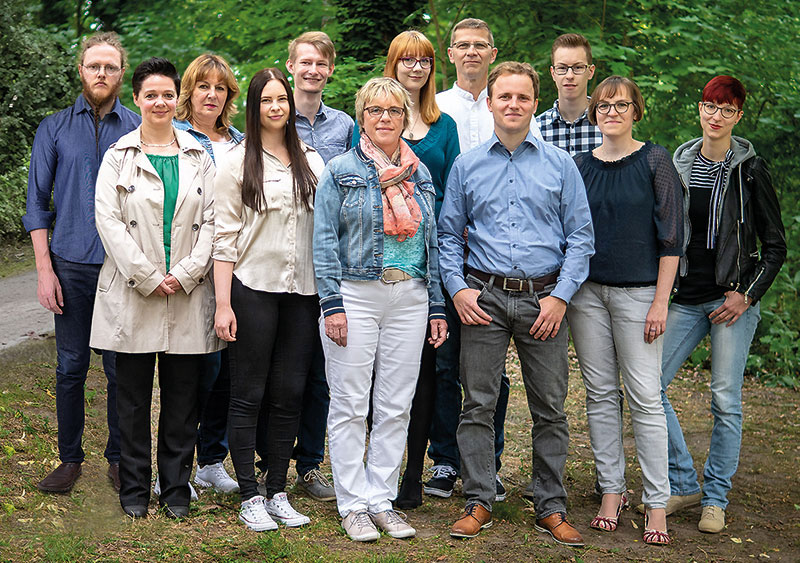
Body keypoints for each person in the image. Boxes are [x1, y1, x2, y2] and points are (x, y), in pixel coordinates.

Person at [439, 62, 593, 545]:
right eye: (503, 97)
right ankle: (479, 499)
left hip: (543, 302)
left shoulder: (560, 165)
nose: (512, 105)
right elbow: (447, 236)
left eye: (522, 97)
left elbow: (582, 238)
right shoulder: (467, 165)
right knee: (478, 405)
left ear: (533, 102)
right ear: (490, 102)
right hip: (482, 300)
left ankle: (550, 505)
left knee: (550, 408)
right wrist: (458, 289)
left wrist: (561, 298)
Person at [313, 77, 447, 541]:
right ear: (362, 117)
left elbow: (431, 243)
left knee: (395, 404)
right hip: (355, 294)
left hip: (410, 297)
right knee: (350, 403)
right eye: (375, 111)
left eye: (393, 110)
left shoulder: (420, 173)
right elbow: (324, 241)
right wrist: (331, 303)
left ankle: (380, 498)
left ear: (405, 117)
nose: (385, 118)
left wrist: (436, 306)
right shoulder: (339, 170)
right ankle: (352, 504)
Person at [90, 57, 222, 519]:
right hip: (133, 292)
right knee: (130, 401)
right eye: (151, 95)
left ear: (176, 99)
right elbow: (107, 221)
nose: (160, 102)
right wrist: (149, 276)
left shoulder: (198, 155)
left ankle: (176, 490)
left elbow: (214, 221)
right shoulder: (117, 156)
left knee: (183, 402)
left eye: (168, 94)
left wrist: (185, 273)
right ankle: (133, 490)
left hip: (187, 292)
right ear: (139, 99)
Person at [659, 75, 786, 534]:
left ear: (738, 116)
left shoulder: (751, 170)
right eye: (710, 107)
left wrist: (746, 294)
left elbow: (775, 247)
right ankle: (684, 482)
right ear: (700, 109)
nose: (715, 116)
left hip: (732, 298)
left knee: (725, 400)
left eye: (726, 110)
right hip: (687, 296)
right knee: (649, 387)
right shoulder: (680, 163)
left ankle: (715, 498)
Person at [23, 31, 140, 495]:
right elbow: (36, 202)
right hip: (68, 264)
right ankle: (69, 459)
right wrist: (44, 269)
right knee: (70, 367)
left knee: (119, 370)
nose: (102, 74)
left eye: (111, 67)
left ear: (120, 73)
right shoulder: (53, 128)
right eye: (95, 66)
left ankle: (117, 459)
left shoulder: (136, 128)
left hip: (120, 269)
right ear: (81, 70)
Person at [569, 76, 683, 545]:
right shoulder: (578, 165)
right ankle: (611, 492)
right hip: (588, 295)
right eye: (603, 105)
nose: (611, 111)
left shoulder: (656, 160)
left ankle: (657, 502)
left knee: (645, 399)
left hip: (640, 295)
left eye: (622, 104)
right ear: (593, 112)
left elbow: (673, 238)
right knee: (599, 394)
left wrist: (661, 301)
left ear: (637, 110)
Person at [350, 30, 460, 509]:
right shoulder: (371, 123)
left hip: (422, 270)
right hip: (372, 272)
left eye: (424, 60)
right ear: (391, 64)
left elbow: (451, 201)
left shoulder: (443, 126)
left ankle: (412, 474)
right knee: (374, 381)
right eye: (406, 59)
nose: (416, 67)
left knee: (424, 379)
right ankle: (374, 476)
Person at [213, 68, 324, 532]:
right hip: (252, 290)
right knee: (249, 394)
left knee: (290, 393)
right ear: (253, 107)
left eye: (282, 99)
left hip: (302, 294)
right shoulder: (236, 163)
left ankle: (277, 489)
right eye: (266, 101)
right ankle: (249, 495)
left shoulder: (313, 162)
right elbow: (224, 239)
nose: (276, 107)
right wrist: (223, 305)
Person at [428, 17, 530, 503]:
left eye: (480, 46)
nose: (471, 53)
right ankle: (446, 459)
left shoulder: (507, 103)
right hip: (451, 248)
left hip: (495, 254)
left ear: (493, 51)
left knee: (492, 371)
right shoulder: (437, 108)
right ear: (450, 53)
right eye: (462, 45)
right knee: (448, 363)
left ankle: (490, 463)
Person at [252, 31, 354, 503]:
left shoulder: (344, 127)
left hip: (325, 265)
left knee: (315, 372)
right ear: (290, 66)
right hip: (272, 266)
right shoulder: (272, 119)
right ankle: (262, 458)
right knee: (271, 368)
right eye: (305, 62)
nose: (312, 70)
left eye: (321, 63)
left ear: (330, 70)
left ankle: (309, 465)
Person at [172, 53, 243, 496]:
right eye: (203, 86)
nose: (212, 94)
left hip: (234, 269)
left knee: (227, 371)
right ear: (189, 92)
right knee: (192, 372)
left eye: (220, 88)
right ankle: (176, 464)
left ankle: (212, 461)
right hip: (188, 267)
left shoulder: (240, 142)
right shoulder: (174, 137)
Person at [536, 33, 602, 155]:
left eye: (578, 67)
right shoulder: (536, 129)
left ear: (591, 72)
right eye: (562, 68)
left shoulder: (607, 124)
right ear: (553, 73)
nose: (569, 76)